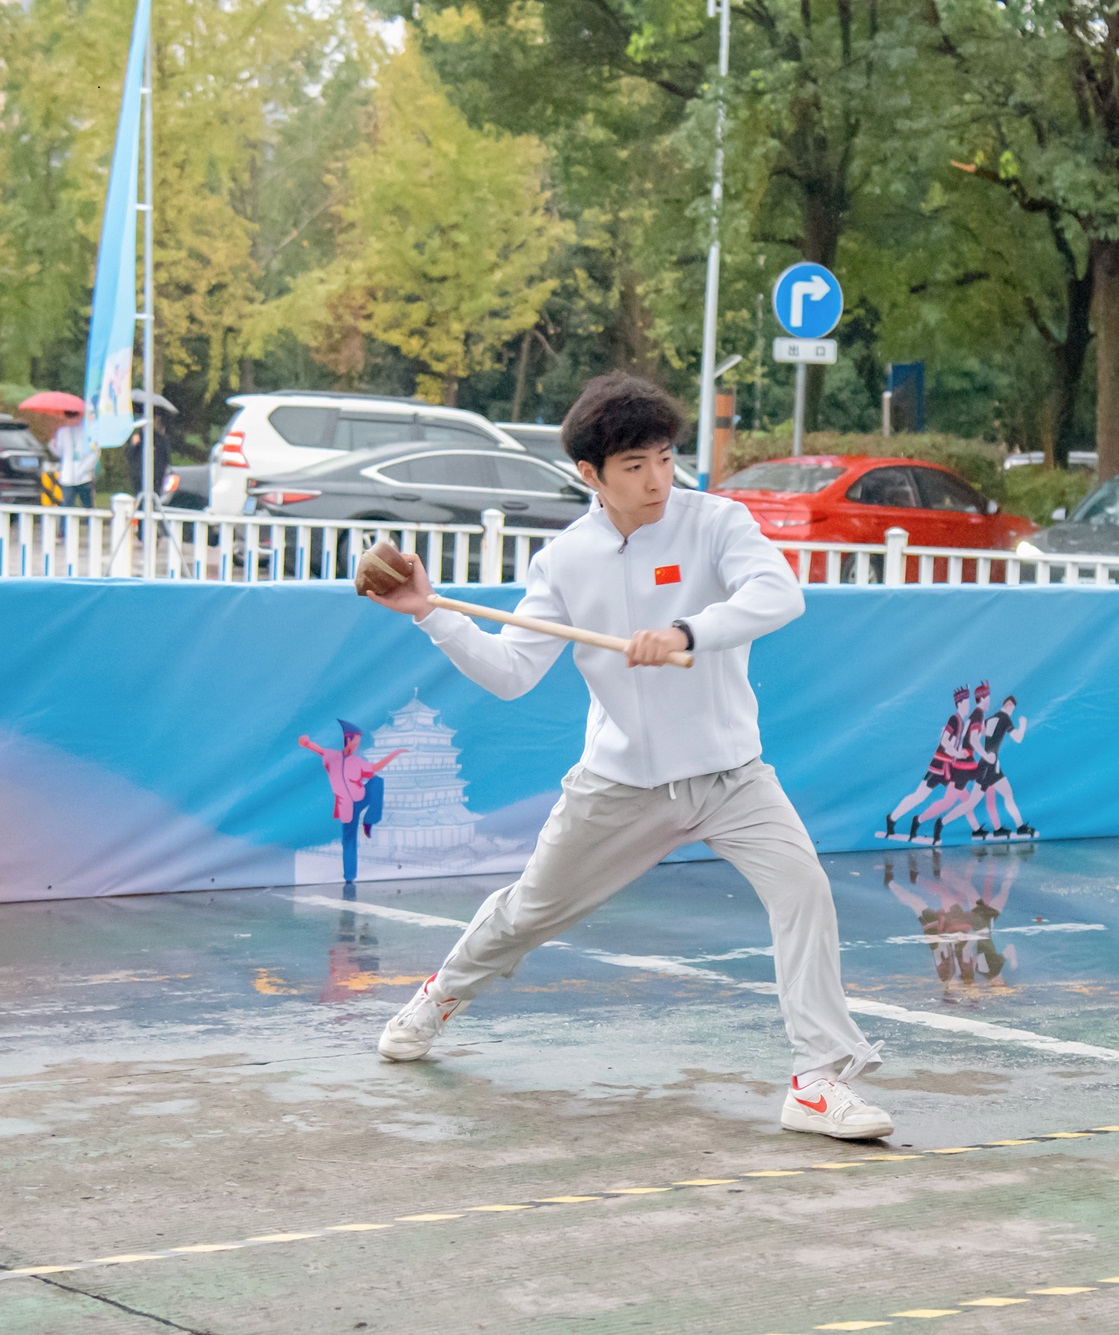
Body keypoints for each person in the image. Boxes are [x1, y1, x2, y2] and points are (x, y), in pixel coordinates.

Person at [360, 371, 892, 1141]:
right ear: (591, 473)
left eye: (665, 458)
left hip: (732, 776)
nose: (656, 480)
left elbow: (780, 595)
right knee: (528, 912)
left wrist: (686, 631)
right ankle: (441, 994)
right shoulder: (565, 560)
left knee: (803, 889)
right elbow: (511, 674)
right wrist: (430, 613)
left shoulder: (716, 521)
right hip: (620, 784)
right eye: (635, 465)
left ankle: (816, 1081)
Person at [298, 724, 404, 884]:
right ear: (348, 740)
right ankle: (349, 876)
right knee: (349, 839)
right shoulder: (332, 756)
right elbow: (317, 749)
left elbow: (376, 768)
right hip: (346, 806)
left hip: (361, 797)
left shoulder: (357, 761)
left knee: (377, 782)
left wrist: (395, 753)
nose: (356, 746)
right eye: (355, 742)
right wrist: (306, 742)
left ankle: (369, 820)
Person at [881, 686, 972, 842]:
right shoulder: (954, 719)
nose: (968, 706)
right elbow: (945, 740)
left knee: (959, 795)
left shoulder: (961, 722)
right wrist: (956, 753)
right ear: (960, 704)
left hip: (947, 767)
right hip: (940, 766)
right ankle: (895, 818)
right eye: (966, 702)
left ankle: (917, 821)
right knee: (919, 796)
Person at [975, 694, 1034, 840]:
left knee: (1006, 794)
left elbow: (976, 737)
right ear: (1008, 705)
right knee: (973, 801)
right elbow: (1018, 738)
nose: (1012, 712)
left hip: (989, 765)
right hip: (989, 766)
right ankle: (976, 830)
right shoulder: (1004, 718)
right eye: (1012, 708)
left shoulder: (991, 719)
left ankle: (1017, 827)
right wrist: (1023, 725)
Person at [51, 408, 96, 509]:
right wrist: (54, 445)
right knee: (66, 505)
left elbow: (94, 453)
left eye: (73, 417)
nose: (71, 421)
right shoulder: (62, 432)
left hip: (84, 477)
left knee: (88, 506)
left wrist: (85, 469)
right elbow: (59, 453)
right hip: (67, 477)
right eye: (68, 418)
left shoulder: (88, 432)